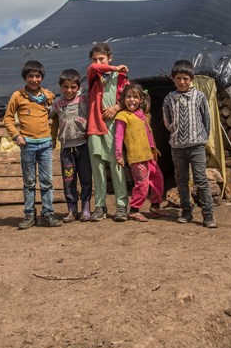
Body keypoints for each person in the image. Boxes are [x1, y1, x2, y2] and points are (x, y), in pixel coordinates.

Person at [3, 60, 60, 229]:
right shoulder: (18, 96)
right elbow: (8, 118)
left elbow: (54, 112)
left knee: (47, 181)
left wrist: (53, 136)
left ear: (42, 78)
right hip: (27, 145)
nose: (34, 79)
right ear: (25, 77)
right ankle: (29, 215)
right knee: (29, 182)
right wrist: (16, 136)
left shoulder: (47, 96)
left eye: (37, 76)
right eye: (30, 76)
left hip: (45, 145)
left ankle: (48, 214)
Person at [162, 59, 217, 228]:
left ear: (191, 78)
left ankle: (208, 214)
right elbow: (167, 120)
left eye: (186, 78)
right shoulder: (169, 99)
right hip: (178, 146)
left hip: (197, 146)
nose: (182, 82)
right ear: (173, 79)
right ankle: (186, 211)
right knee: (181, 179)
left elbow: (206, 120)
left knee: (201, 180)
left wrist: (201, 138)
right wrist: (177, 132)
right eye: (178, 78)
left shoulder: (199, 96)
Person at [86, 42, 130, 222]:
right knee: (97, 168)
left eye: (101, 58)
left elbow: (130, 98)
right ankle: (100, 206)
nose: (97, 62)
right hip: (95, 126)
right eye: (95, 59)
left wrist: (117, 106)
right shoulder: (94, 75)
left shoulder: (121, 78)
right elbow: (93, 67)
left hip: (113, 126)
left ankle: (121, 205)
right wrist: (113, 67)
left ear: (110, 57)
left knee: (116, 164)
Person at [114, 84, 164, 222]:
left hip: (149, 155)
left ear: (141, 99)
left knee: (157, 179)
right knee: (142, 183)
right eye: (128, 97)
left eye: (135, 97)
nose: (132, 100)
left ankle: (155, 205)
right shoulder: (122, 116)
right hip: (137, 157)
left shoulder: (144, 115)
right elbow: (118, 137)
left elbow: (148, 134)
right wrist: (118, 155)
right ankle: (134, 210)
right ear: (123, 99)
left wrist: (153, 148)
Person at [50, 69, 93, 222]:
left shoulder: (84, 99)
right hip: (66, 148)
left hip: (83, 145)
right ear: (60, 87)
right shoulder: (57, 103)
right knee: (69, 180)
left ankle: (86, 208)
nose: (69, 90)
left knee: (86, 177)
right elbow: (46, 115)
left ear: (78, 87)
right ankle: (72, 210)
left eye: (73, 87)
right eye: (65, 87)